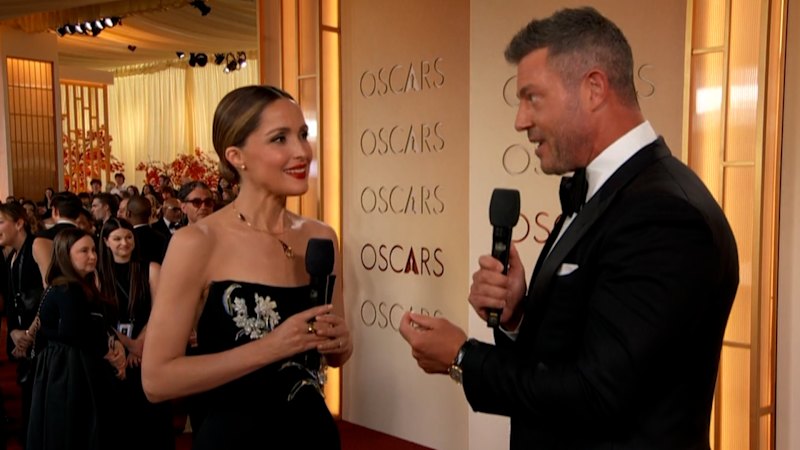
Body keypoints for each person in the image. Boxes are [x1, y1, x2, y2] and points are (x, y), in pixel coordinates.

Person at [399, 7, 739, 450]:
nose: (520, 120)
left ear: (594, 88)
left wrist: (463, 359)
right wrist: (519, 316)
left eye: (532, 97)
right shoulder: (609, 192)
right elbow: (579, 350)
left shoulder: (664, 214)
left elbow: (596, 393)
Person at [142, 85, 351, 449]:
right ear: (237, 156)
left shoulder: (321, 237)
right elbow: (157, 380)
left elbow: (334, 355)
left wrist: (341, 343)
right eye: (279, 139)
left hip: (312, 433)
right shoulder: (198, 242)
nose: (302, 151)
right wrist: (271, 347)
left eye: (303, 135)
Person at [27, 228, 127, 450]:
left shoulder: (77, 285)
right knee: (76, 431)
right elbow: (74, 332)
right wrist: (109, 355)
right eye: (84, 251)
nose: (92, 255)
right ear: (66, 254)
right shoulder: (67, 288)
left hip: (69, 365)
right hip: (70, 369)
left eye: (93, 249)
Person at [97, 218, 173, 450]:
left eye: (128, 237)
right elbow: (99, 318)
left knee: (151, 421)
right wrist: (128, 344)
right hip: (114, 351)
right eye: (117, 238)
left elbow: (161, 310)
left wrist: (140, 343)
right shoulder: (98, 273)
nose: (124, 243)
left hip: (148, 349)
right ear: (106, 242)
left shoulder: (150, 268)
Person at [0, 203, 42, 445]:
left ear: (19, 223)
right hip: (24, 340)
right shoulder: (12, 256)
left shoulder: (37, 245)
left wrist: (29, 332)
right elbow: (11, 300)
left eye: (1, 221)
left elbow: (51, 292)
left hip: (42, 341)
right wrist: (15, 332)